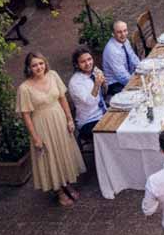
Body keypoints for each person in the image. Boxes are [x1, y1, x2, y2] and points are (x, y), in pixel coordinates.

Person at [16, 51, 85, 207]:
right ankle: (59, 191)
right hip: (42, 125)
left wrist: (69, 119)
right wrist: (35, 138)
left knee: (63, 151)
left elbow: (62, 98)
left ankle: (66, 184)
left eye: (41, 63)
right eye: (34, 65)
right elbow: (26, 115)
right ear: (28, 68)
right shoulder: (24, 88)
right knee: (50, 157)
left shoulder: (53, 75)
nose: (39, 67)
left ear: (45, 63)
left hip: (59, 119)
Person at [67, 46, 107, 145]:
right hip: (89, 121)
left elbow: (105, 93)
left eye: (89, 59)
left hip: (103, 112)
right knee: (113, 134)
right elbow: (90, 102)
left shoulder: (94, 71)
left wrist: (104, 83)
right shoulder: (75, 82)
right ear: (76, 64)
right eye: (83, 61)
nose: (88, 63)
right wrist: (97, 84)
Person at [101, 20, 139, 97]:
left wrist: (143, 68)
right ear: (113, 34)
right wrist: (137, 84)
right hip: (115, 84)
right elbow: (122, 76)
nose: (123, 34)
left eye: (125, 31)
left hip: (128, 75)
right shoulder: (112, 50)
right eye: (119, 32)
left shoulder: (125, 41)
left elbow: (133, 57)